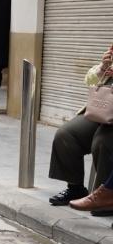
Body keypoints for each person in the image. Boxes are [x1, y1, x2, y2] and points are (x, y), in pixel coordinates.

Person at [47, 44, 113, 207]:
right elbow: (89, 80)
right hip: (104, 108)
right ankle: (75, 187)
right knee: (66, 134)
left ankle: (104, 198)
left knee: (102, 141)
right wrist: (102, 67)